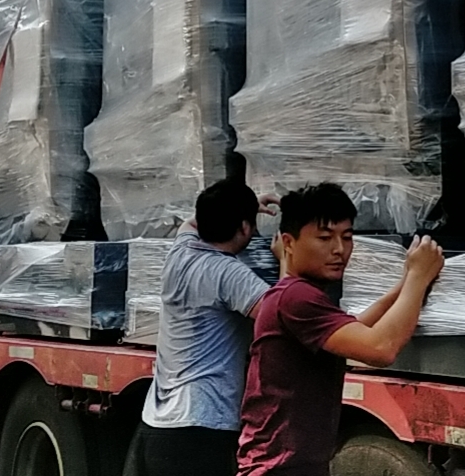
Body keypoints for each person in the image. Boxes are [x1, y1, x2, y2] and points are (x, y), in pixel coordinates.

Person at [235, 184, 444, 476]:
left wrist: (407, 283)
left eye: (346, 237)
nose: (339, 249)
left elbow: (356, 327)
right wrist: (418, 277)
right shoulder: (296, 297)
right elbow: (379, 349)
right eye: (324, 238)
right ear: (289, 243)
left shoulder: (298, 293)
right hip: (281, 468)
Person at [127, 180, 276, 476]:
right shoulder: (228, 273)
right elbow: (282, 315)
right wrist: (288, 258)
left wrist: (241, 207)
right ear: (245, 228)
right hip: (201, 428)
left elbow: (191, 222)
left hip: (156, 423)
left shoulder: (180, 252)